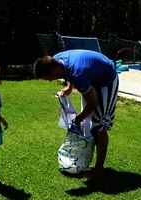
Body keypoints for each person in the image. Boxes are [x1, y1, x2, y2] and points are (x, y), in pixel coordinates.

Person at [34, 49, 119, 179]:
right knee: (90, 124)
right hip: (91, 76)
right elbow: (68, 72)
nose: (50, 81)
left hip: (106, 80)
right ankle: (87, 159)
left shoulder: (78, 74)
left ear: (53, 71)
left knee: (100, 125)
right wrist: (69, 86)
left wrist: (79, 118)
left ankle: (99, 169)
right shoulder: (56, 59)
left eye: (48, 78)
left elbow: (93, 103)